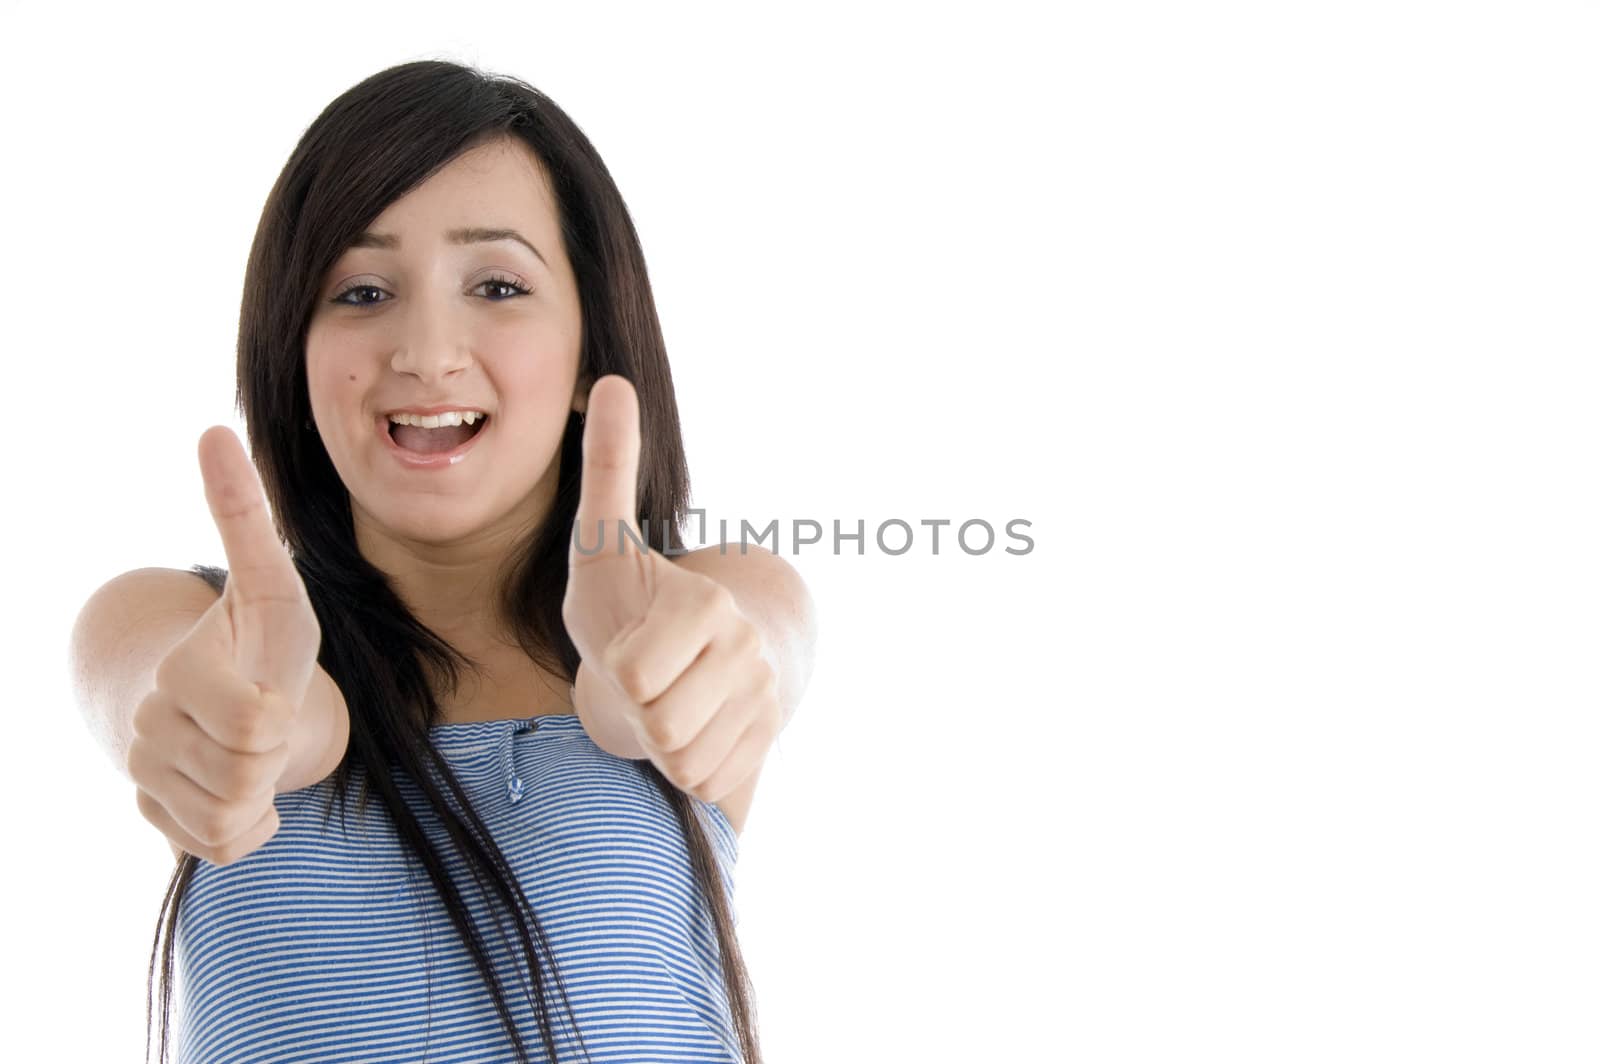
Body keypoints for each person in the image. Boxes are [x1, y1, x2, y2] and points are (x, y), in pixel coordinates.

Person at [67, 59, 817, 1064]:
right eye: (362, 290)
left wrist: (655, 684)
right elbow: (231, 711)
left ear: (591, 344)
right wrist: (248, 728)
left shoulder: (721, 599)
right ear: (293, 352)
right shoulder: (168, 623)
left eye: (498, 284)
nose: (425, 349)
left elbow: (727, 660)